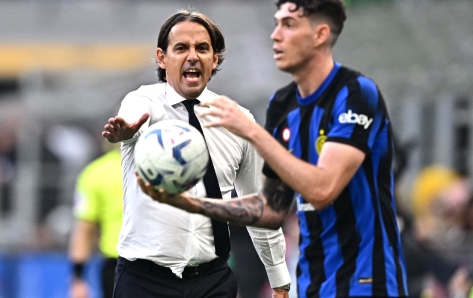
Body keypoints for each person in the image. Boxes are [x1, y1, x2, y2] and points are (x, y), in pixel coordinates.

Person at [139, 0, 409, 297]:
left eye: (288, 25)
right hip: (312, 282)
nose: (275, 34)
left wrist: (252, 131)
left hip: (365, 281)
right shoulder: (283, 104)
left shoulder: (355, 94)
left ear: (319, 35)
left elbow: (323, 190)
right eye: (276, 23)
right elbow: (269, 208)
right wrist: (192, 204)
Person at [101, 9, 291, 298]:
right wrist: (126, 131)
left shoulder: (239, 120)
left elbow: (259, 207)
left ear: (214, 59)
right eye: (181, 48)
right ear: (162, 58)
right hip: (143, 281)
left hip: (213, 280)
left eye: (202, 48)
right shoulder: (143, 101)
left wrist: (279, 280)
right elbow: (133, 117)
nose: (193, 56)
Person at [68, 144, 123, 298]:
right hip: (163, 264)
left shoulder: (95, 172)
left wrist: (77, 278)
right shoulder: (169, 166)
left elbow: (84, 229)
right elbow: (85, 228)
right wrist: (78, 278)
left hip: (118, 268)